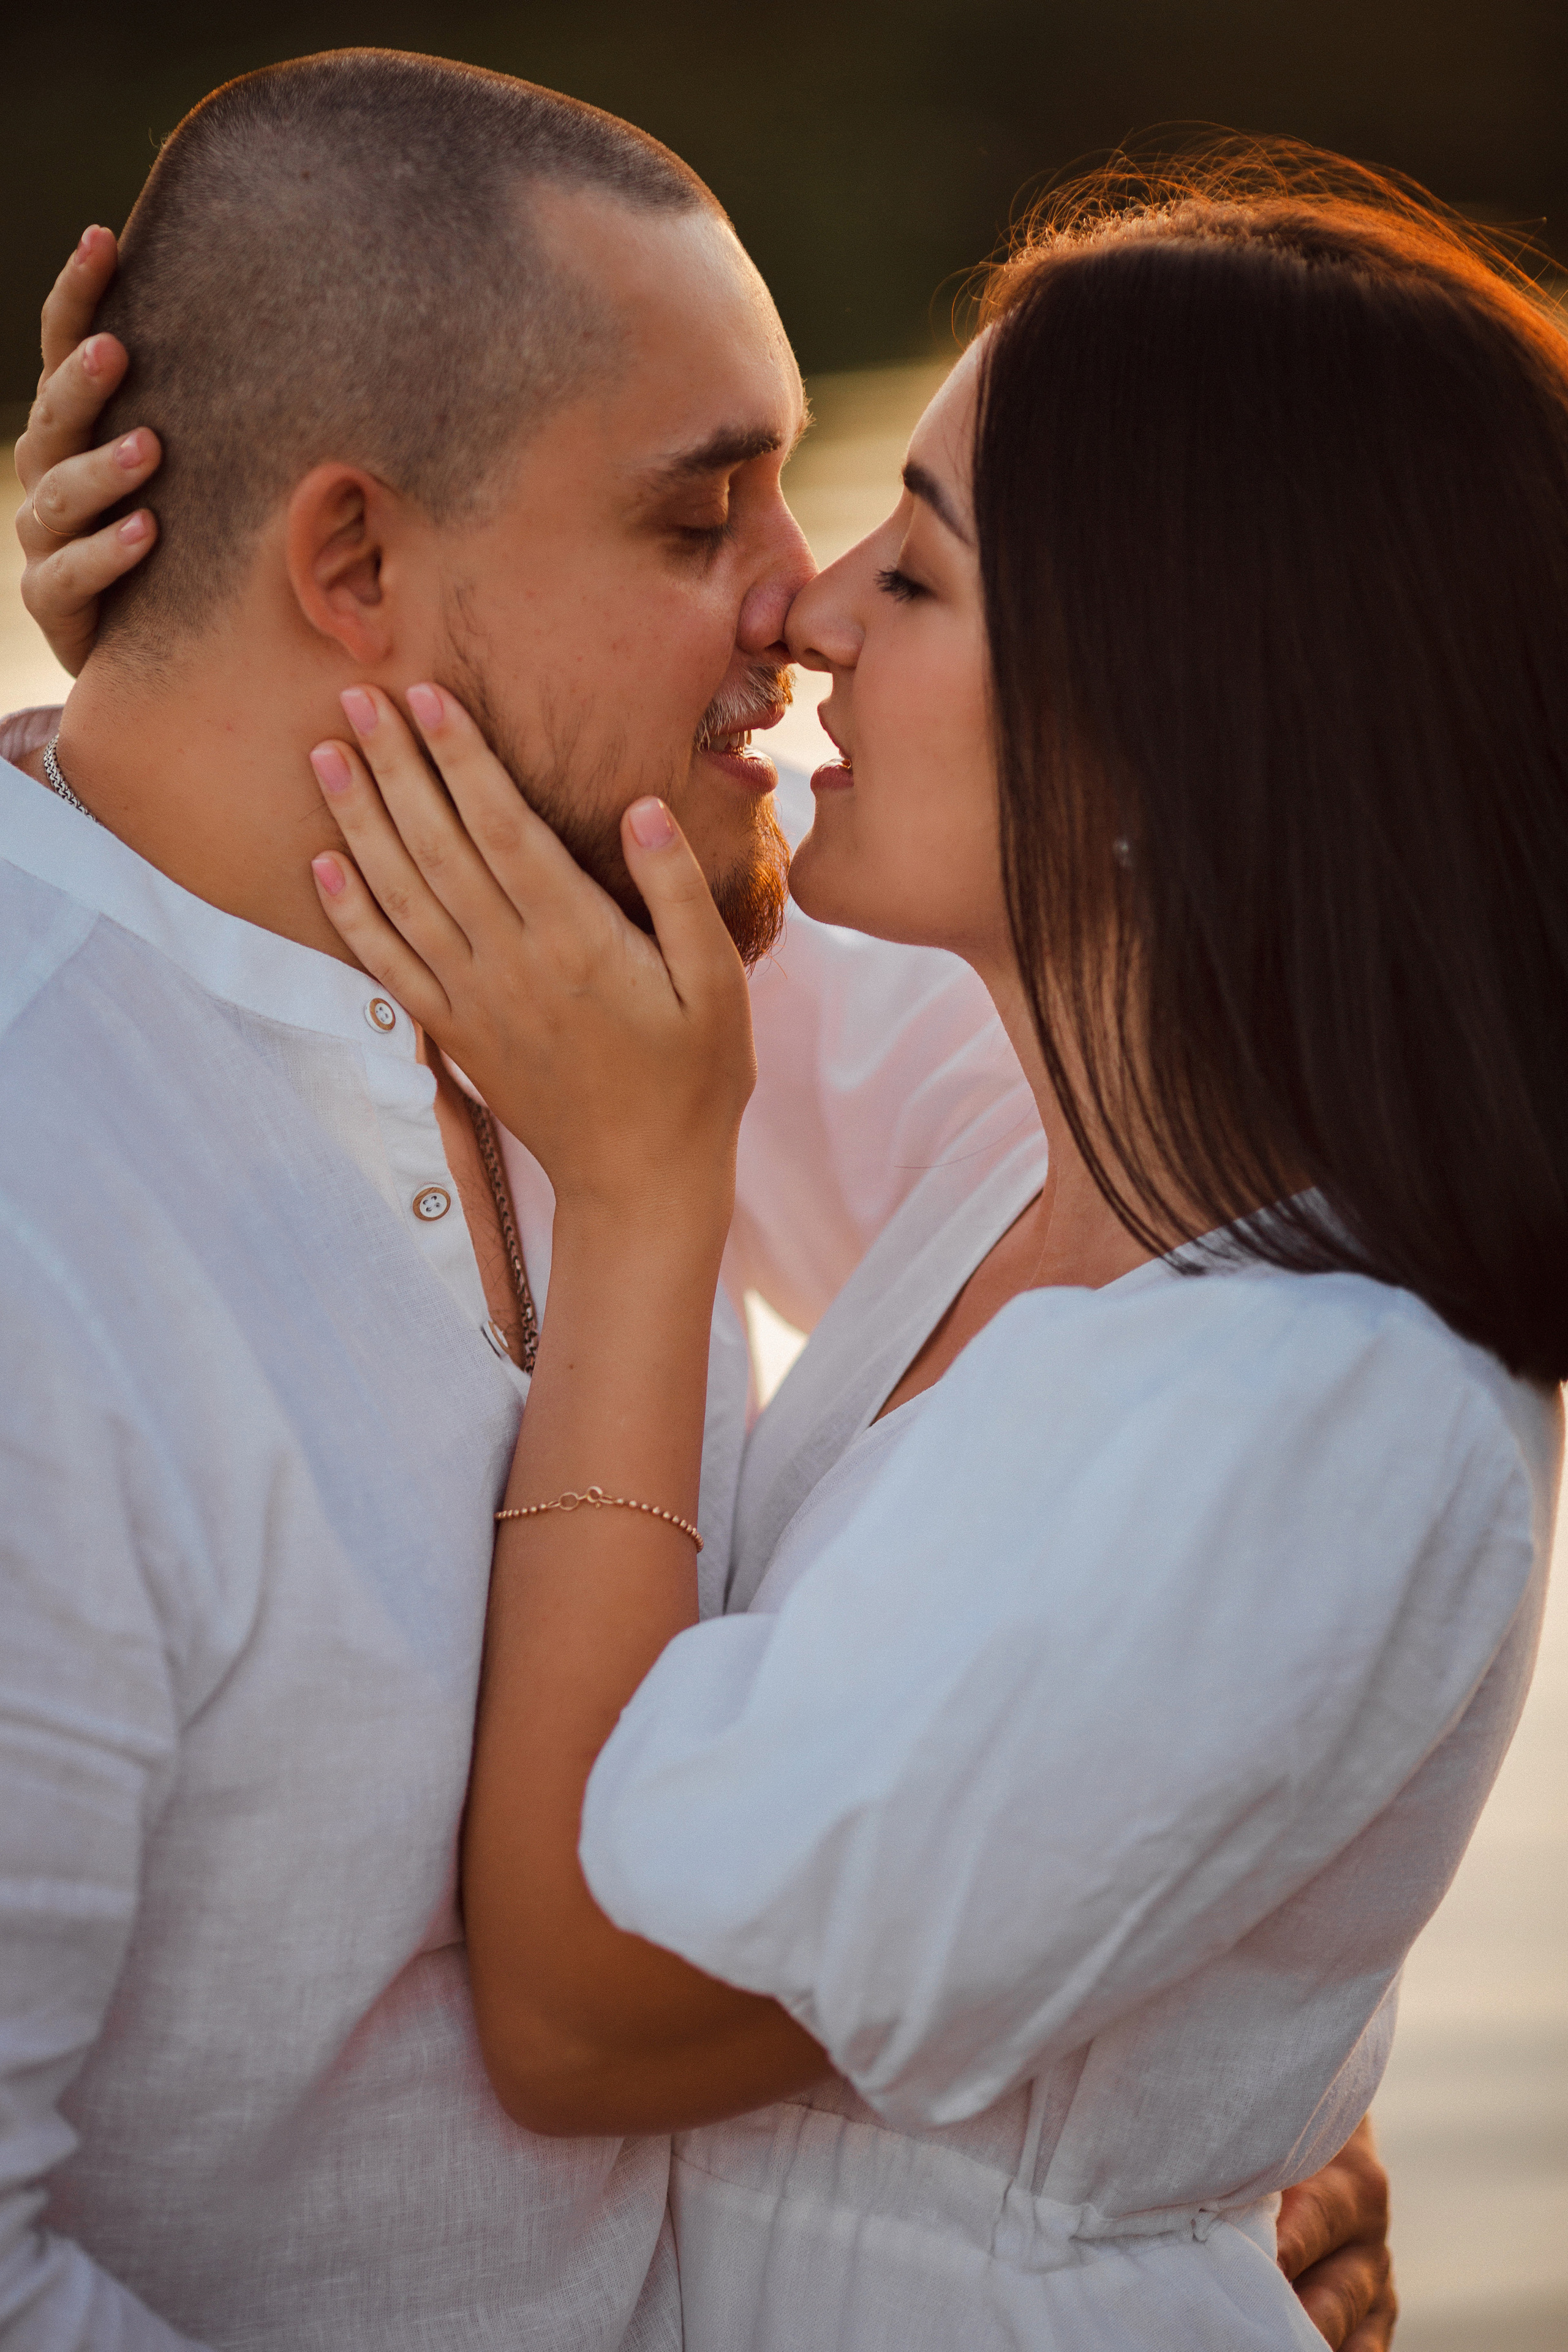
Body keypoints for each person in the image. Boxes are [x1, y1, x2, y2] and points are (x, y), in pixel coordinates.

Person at [3, 62, 1393, 2352]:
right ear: (348, 565)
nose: (804, 603)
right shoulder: (49, 1218)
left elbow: (1237, 1201)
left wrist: (1176, 2142)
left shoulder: (622, 949)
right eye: (696, 521)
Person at [295, 160, 1568, 2348]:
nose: (809, 612)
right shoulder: (1030, 1134)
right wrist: (203, 580)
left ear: (1174, 719)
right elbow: (533, 833)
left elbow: (591, 2020)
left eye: (924, 567)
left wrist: (642, 1207)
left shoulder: (1315, 1424)